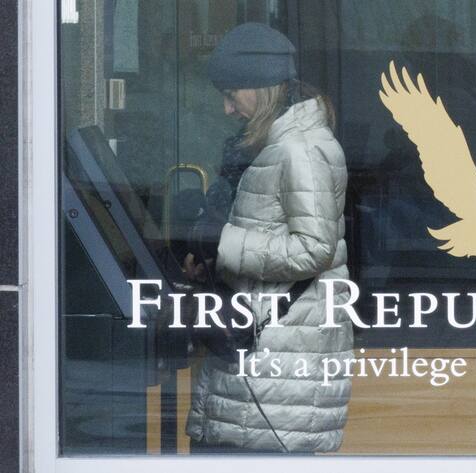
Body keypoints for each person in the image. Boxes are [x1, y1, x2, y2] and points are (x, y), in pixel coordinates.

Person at [184, 22, 354, 453]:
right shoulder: (274, 146)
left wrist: (224, 243)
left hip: (278, 371)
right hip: (267, 360)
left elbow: (314, 248)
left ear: (261, 88)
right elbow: (270, 233)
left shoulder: (300, 149)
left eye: (231, 94)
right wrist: (212, 257)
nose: (227, 108)